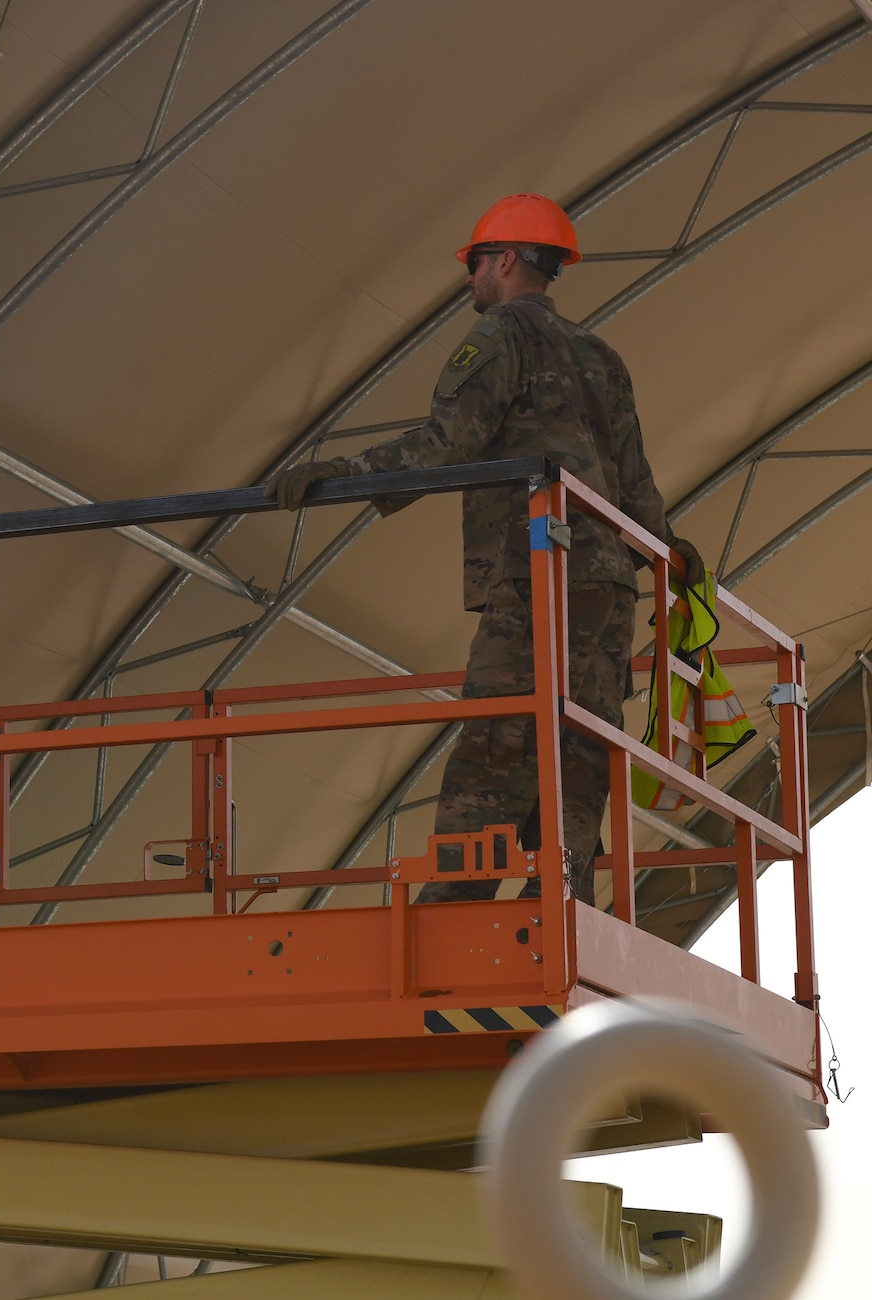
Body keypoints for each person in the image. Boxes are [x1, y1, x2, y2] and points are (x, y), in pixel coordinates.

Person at [267, 194, 704, 904]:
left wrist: (345, 476)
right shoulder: (603, 357)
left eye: (474, 263)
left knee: (498, 740)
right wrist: (671, 556)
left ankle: (456, 913)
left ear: (503, 261)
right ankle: (561, 899)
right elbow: (637, 486)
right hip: (608, 592)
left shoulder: (500, 335)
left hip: (539, 576)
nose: (468, 279)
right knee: (581, 745)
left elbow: (449, 442)